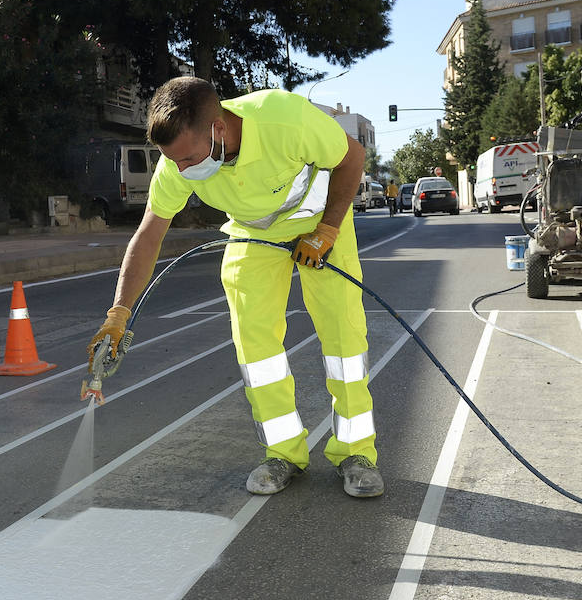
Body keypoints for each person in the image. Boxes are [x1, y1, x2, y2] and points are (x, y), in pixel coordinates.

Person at [87, 78, 384, 499]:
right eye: (175, 162)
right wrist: (118, 312)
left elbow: (353, 157)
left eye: (189, 158)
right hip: (251, 232)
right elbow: (150, 232)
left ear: (219, 129)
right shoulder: (177, 163)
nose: (183, 170)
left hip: (319, 223)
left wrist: (329, 228)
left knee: (344, 339)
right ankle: (283, 452)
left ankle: (356, 453)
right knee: (256, 347)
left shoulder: (284, 117)